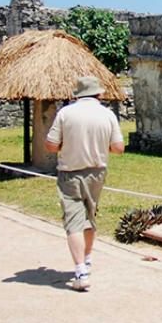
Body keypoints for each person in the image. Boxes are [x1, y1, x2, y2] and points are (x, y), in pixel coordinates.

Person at [44, 76, 125, 292]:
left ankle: (80, 270)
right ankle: (87, 260)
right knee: (89, 216)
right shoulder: (107, 115)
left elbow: (51, 146)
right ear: (98, 94)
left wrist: (67, 145)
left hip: (70, 172)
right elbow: (118, 147)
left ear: (77, 94)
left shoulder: (66, 113)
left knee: (73, 221)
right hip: (97, 173)